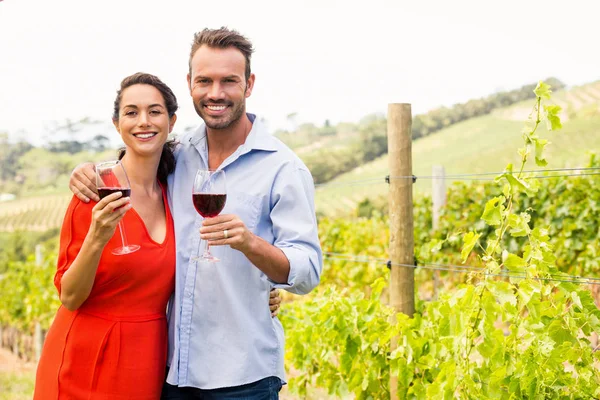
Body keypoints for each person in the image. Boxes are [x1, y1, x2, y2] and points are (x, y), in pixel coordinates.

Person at [69, 27, 322, 399]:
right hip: (174, 371)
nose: (215, 93)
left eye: (228, 81)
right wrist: (88, 169)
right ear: (189, 84)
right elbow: (133, 166)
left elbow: (307, 271)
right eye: (204, 80)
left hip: (242, 377)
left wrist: (251, 245)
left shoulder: (284, 169)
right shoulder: (178, 155)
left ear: (249, 84)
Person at [37, 72, 282, 400]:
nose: (143, 122)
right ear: (116, 123)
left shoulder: (176, 191)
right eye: (131, 112)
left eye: (154, 111)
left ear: (171, 120)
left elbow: (193, 265)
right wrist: (97, 237)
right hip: (86, 357)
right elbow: (69, 297)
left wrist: (256, 292)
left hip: (149, 360)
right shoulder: (94, 194)